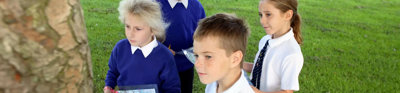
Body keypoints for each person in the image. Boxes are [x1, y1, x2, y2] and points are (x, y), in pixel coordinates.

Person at [104, 0, 180, 92]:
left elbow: (172, 89)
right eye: (127, 26)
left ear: (153, 30)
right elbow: (112, 72)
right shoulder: (120, 48)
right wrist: (108, 86)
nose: (130, 34)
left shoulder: (165, 57)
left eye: (138, 29)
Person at [242, 0, 304, 92]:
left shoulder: (292, 54)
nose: (262, 21)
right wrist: (237, 65)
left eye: (268, 14)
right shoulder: (266, 40)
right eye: (261, 15)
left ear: (288, 15)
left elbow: (287, 91)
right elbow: (261, 69)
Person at [193, 13, 255, 93]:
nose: (197, 64)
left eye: (208, 56)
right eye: (196, 55)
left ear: (235, 59)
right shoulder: (215, 80)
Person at [156, 0, 206, 92]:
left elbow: (203, 34)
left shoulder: (196, 6)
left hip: (186, 65)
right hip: (161, 65)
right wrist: (159, 48)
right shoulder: (154, 5)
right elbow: (144, 33)